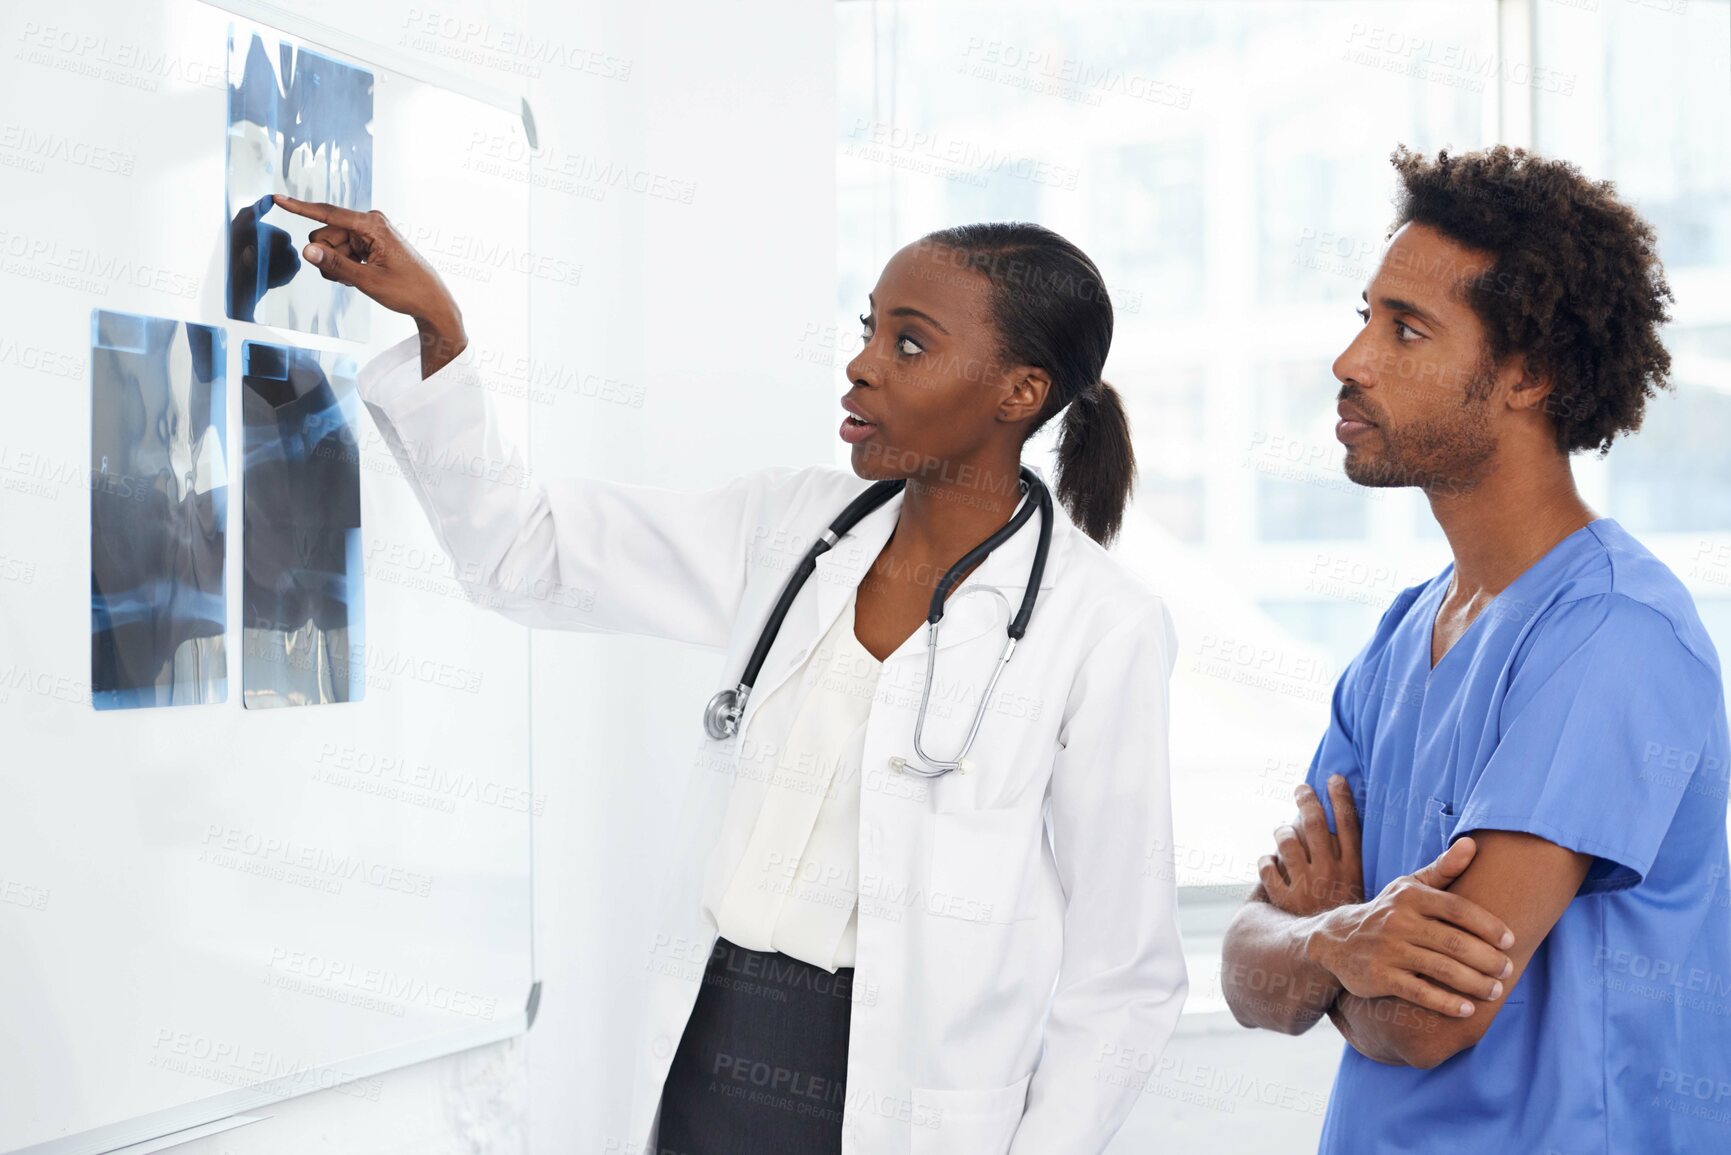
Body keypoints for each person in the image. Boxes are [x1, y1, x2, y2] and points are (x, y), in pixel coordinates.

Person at [272, 194, 1187, 1155]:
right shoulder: (788, 529)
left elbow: (1123, 974)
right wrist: (440, 329)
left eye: (909, 345)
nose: (862, 363)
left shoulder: (1101, 627)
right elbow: (522, 551)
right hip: (710, 1048)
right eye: (869, 328)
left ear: (1018, 392)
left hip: (907, 1098)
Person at [1219, 144, 1731, 1154]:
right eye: (1364, 316)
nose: (1351, 361)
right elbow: (1246, 969)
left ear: (1527, 375)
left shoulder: (1612, 640)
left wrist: (1322, 951)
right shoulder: (1402, 635)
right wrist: (1337, 938)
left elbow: (1425, 1021)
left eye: (1406, 330)